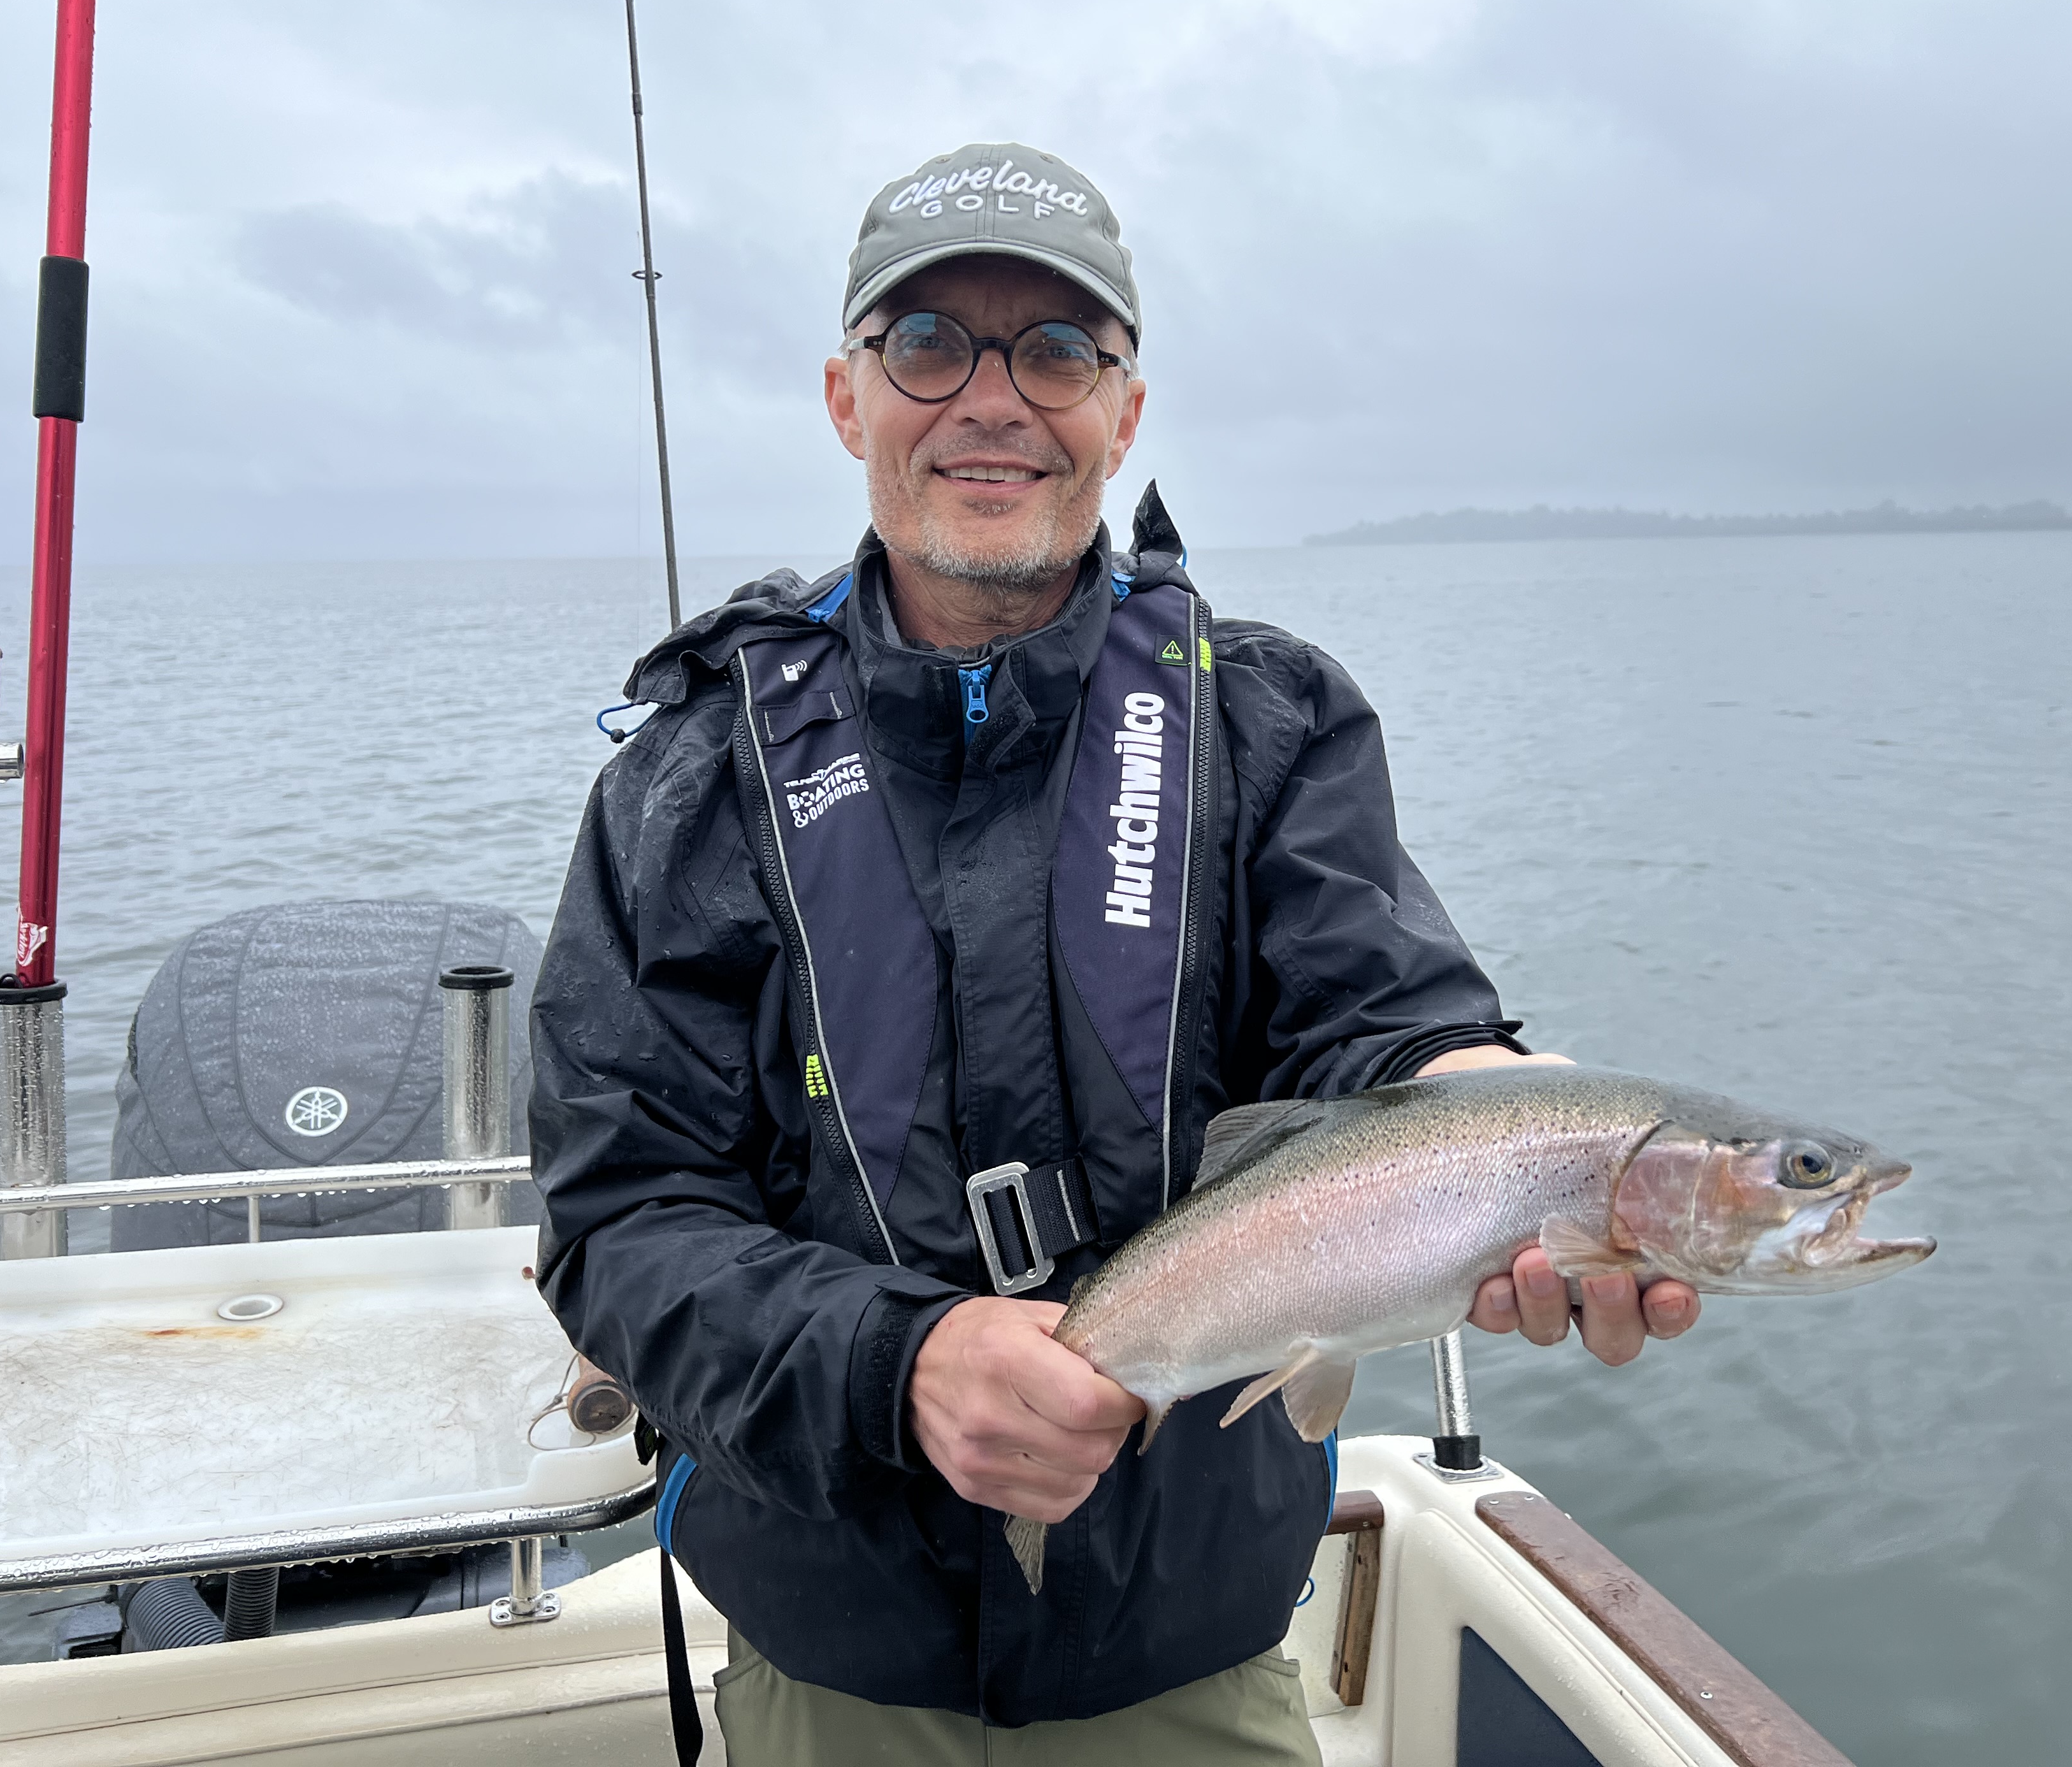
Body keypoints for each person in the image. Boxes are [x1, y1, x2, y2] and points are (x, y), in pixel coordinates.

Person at [528, 141, 1701, 1764]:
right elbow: (615, 1225)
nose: (993, 400)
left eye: (1059, 352)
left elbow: (1389, 1028)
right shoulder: (690, 779)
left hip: (1188, 1658)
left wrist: (1507, 1123)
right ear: (843, 395)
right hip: (833, 1672)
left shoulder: (1271, 722)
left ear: (1125, 411)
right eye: (928, 344)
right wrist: (900, 1360)